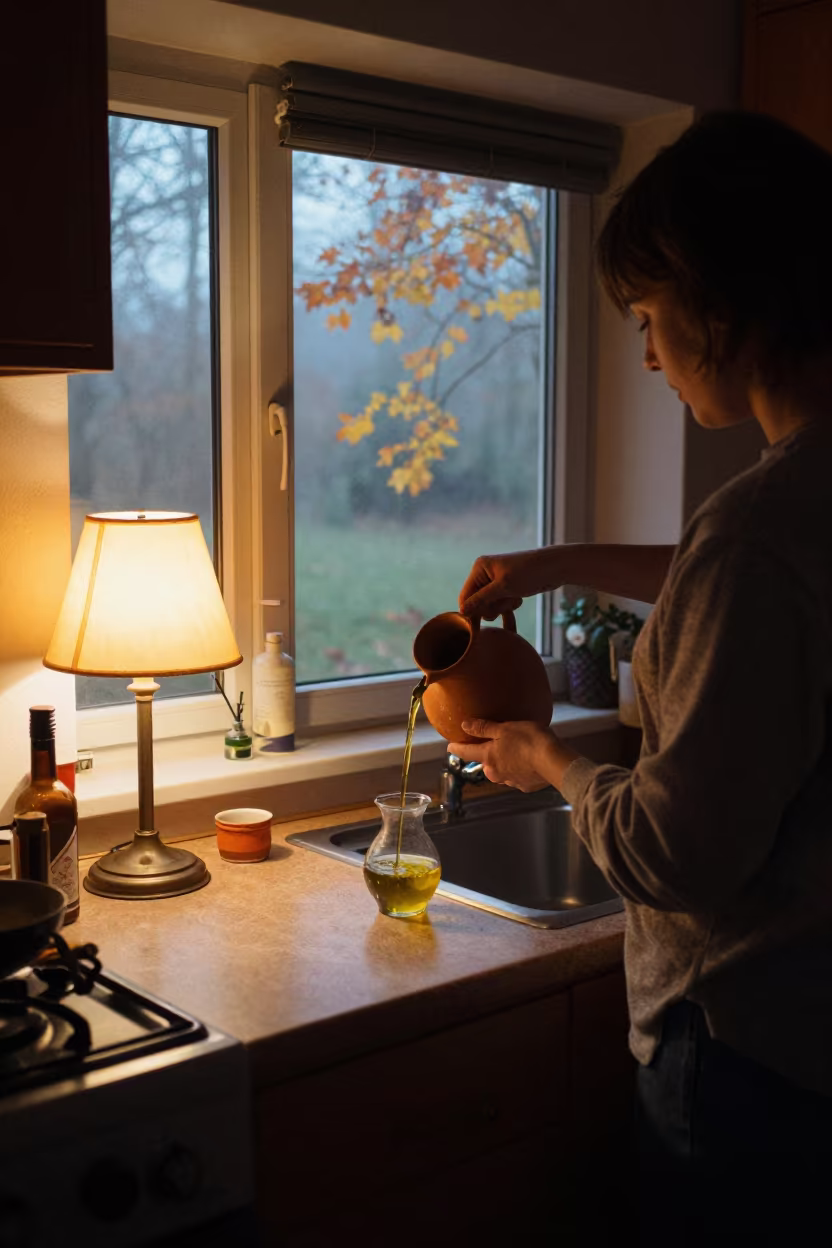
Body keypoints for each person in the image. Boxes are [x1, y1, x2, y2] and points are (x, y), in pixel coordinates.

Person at [450, 110, 832, 1246]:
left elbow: (673, 854)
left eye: (650, 319)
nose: (651, 355)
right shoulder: (799, 503)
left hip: (747, 1055)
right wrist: (558, 562)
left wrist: (547, 758)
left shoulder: (758, 527)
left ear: (726, 300)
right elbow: (755, 581)